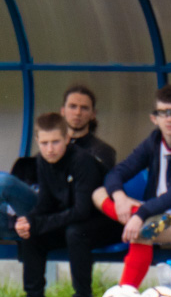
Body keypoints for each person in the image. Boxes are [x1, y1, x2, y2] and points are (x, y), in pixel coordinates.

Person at [92, 84, 171, 289]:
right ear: (154, 118)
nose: (169, 119)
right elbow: (118, 172)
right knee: (99, 193)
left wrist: (140, 215)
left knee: (144, 232)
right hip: (155, 210)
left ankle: (125, 295)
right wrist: (121, 199)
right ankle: (134, 219)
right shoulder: (154, 141)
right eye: (163, 113)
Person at [3, 113, 122, 297]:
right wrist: (30, 221)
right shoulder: (42, 161)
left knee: (76, 232)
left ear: (67, 139)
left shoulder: (82, 161)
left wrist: (39, 223)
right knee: (34, 233)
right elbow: (45, 204)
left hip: (107, 223)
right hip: (74, 222)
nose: (50, 149)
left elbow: (82, 211)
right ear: (37, 141)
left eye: (56, 142)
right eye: (45, 143)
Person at [0, 85, 116, 239]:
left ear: (93, 114)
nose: (77, 112)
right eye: (72, 106)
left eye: (84, 108)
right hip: (31, 213)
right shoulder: (48, 148)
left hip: (58, 216)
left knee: (4, 182)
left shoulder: (101, 151)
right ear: (63, 111)